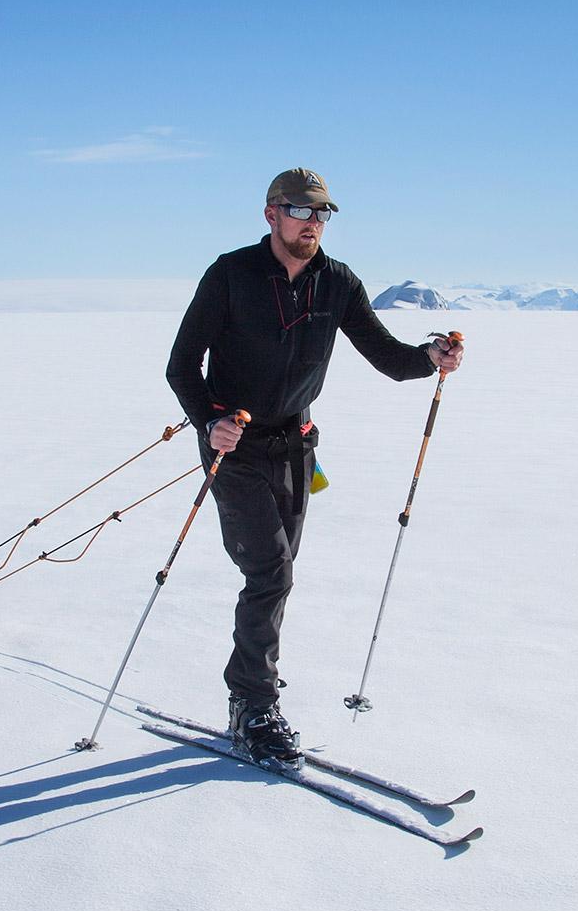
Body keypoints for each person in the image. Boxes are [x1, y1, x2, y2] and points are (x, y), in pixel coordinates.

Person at [166, 168, 462, 765]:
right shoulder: (231, 274)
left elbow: (387, 356)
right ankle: (252, 703)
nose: (313, 223)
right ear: (271, 213)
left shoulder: (338, 283)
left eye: (322, 213)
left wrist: (429, 358)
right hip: (234, 444)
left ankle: (255, 674)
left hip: (297, 444)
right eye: (301, 211)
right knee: (270, 571)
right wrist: (209, 421)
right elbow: (181, 365)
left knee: (278, 572)